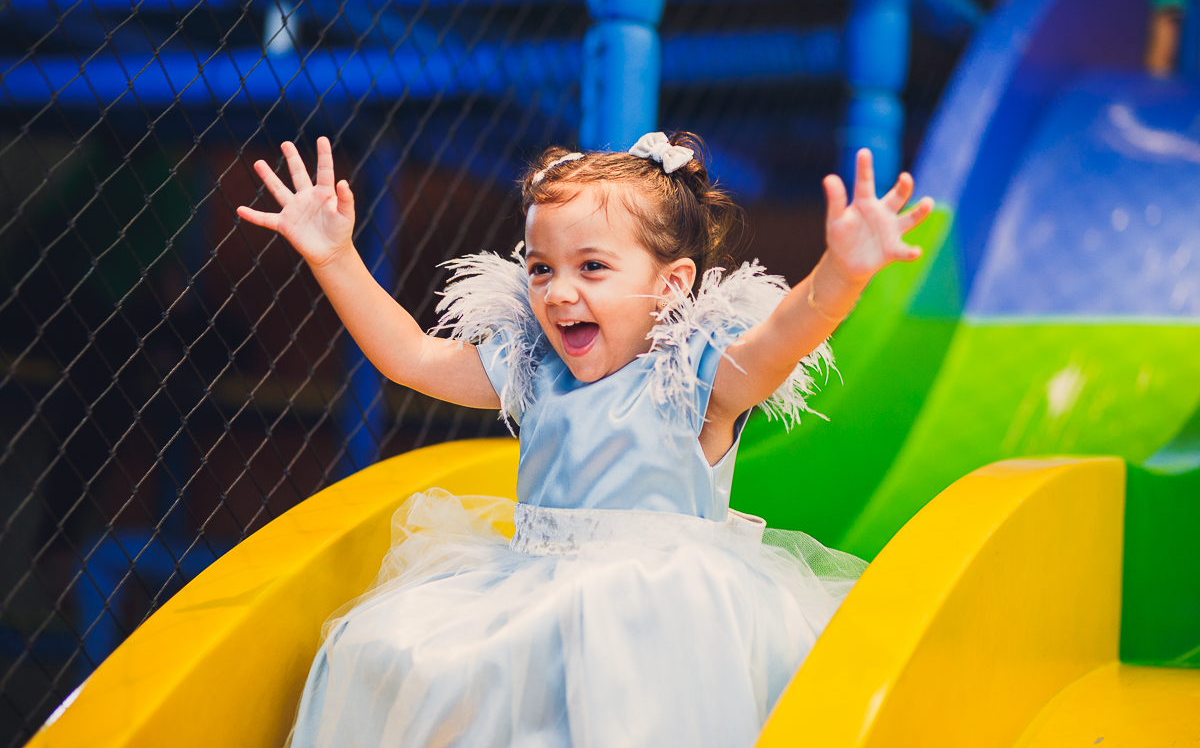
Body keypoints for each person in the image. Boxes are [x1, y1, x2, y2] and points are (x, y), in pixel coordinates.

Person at [236, 131, 932, 748]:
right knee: (386, 649)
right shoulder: (535, 363)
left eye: (592, 268)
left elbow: (780, 342)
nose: (558, 292)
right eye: (541, 267)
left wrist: (841, 274)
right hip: (528, 593)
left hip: (661, 614)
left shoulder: (695, 377)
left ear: (672, 283)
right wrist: (333, 257)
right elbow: (411, 358)